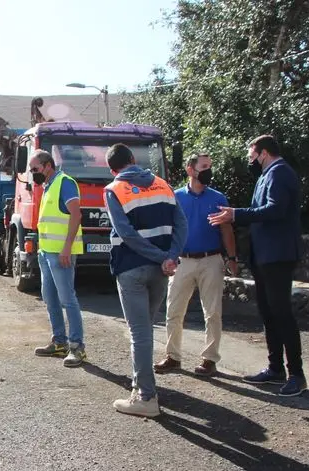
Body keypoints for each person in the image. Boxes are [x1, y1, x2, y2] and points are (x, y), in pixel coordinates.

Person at [208, 135, 306, 396]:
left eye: (252, 156)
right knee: (267, 311)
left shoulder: (280, 173)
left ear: (263, 153)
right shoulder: (266, 175)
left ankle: (296, 373)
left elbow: (275, 210)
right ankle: (275, 369)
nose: (250, 161)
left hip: (278, 255)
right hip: (264, 255)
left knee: (281, 312)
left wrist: (236, 214)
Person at [103, 143, 187, 417]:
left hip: (132, 269)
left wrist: (159, 256)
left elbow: (125, 233)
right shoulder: (163, 184)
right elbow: (181, 224)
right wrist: (170, 256)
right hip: (160, 271)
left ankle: (146, 398)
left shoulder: (114, 190)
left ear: (112, 168)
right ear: (132, 159)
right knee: (147, 330)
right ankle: (140, 386)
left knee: (139, 334)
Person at [154, 153, 238, 377]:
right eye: (204, 166)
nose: (208, 170)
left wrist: (232, 258)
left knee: (213, 312)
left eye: (210, 166)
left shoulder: (218, 198)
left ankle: (210, 359)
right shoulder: (175, 196)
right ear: (190, 170)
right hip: (182, 260)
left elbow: (226, 229)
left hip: (212, 259)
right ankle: (173, 356)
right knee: (174, 310)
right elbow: (167, 228)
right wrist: (166, 256)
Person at [30, 149, 87, 367]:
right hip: (47, 252)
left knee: (67, 300)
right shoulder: (48, 186)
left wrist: (66, 249)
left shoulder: (65, 183)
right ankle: (59, 342)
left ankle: (77, 347)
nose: (32, 173)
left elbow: (76, 215)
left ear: (47, 166)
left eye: (35, 169)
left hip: (61, 253)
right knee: (50, 298)